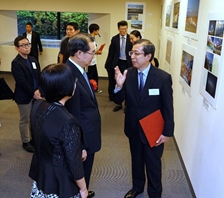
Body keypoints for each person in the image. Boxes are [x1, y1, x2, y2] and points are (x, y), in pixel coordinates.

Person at [114, 39, 174, 198]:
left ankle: (155, 193)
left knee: (153, 164)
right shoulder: (129, 73)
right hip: (133, 126)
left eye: (136, 53)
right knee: (136, 161)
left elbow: (168, 107)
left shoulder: (162, 78)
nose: (132, 56)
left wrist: (167, 132)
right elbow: (118, 99)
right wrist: (119, 86)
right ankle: (137, 188)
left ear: (148, 56)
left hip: (153, 128)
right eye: (131, 53)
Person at [29, 63, 88, 198]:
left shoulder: (38, 105)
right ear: (66, 87)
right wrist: (83, 188)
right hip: (59, 183)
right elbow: (74, 162)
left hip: (41, 176)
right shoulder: (68, 121)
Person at [65, 33, 102, 198]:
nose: (94, 56)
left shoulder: (79, 70)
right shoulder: (70, 75)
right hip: (82, 139)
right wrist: (80, 145)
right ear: (79, 53)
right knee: (79, 174)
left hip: (88, 133)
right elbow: (73, 116)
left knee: (84, 174)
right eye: (92, 52)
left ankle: (83, 191)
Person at [11, 36, 42, 153]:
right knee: (25, 119)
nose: (26, 47)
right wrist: (33, 93)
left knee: (34, 118)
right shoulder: (16, 62)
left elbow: (38, 75)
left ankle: (34, 139)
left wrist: (39, 89)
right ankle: (26, 141)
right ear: (17, 48)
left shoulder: (33, 59)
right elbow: (21, 81)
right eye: (23, 45)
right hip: (24, 96)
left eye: (28, 44)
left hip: (36, 93)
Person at [105, 20, 132, 112]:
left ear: (127, 28)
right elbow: (111, 53)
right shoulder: (115, 39)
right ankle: (118, 103)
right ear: (118, 29)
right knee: (117, 82)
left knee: (128, 83)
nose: (123, 31)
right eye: (121, 29)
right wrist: (109, 64)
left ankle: (127, 104)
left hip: (128, 63)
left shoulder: (130, 39)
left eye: (125, 29)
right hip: (118, 62)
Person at [88, 23, 102, 93]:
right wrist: (96, 52)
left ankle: (95, 88)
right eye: (97, 30)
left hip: (93, 60)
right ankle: (92, 89)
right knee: (91, 75)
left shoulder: (93, 38)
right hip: (90, 61)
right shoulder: (89, 39)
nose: (98, 32)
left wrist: (97, 51)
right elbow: (88, 50)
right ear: (94, 31)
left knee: (95, 75)